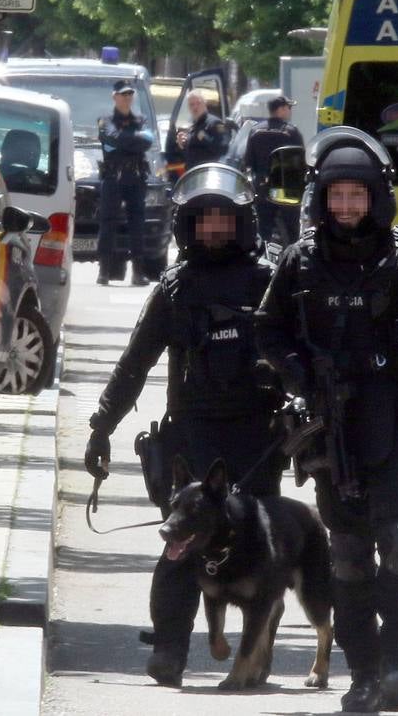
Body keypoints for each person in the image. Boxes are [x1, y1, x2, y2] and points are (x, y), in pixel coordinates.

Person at [256, 127, 398, 713]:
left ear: (377, 196)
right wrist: (300, 375)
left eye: (358, 195)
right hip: (330, 430)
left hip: (396, 424)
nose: (347, 207)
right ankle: (363, 673)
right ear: (322, 199)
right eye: (337, 196)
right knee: (346, 554)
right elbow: (268, 329)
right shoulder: (300, 262)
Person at [83, 162, 287, 688]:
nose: (214, 230)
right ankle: (170, 649)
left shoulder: (271, 280)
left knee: (257, 554)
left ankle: (255, 655)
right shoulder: (176, 289)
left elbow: (308, 354)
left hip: (258, 441)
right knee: (180, 549)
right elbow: (135, 362)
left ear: (242, 223)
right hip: (193, 442)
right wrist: (101, 425)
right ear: (188, 227)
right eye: (204, 221)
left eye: (224, 220)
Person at [97, 79, 154, 286]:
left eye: (130, 94)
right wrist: (133, 140)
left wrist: (126, 140)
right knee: (108, 222)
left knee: (138, 224)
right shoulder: (105, 120)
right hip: (114, 177)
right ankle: (104, 271)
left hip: (136, 178)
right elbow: (112, 138)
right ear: (115, 96)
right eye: (123, 94)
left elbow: (148, 141)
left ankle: (138, 272)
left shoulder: (142, 119)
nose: (127, 98)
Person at [243, 95, 304, 245]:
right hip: (286, 190)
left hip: (264, 188)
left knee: (263, 230)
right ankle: (291, 259)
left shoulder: (255, 131)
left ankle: (264, 258)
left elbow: (248, 161)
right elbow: (301, 161)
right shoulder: (291, 132)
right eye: (288, 108)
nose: (290, 111)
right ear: (281, 109)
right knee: (292, 232)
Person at [178, 89, 230, 171]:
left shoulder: (215, 123)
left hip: (208, 174)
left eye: (198, 103)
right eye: (191, 105)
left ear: (205, 104)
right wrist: (183, 144)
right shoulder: (194, 126)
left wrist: (204, 137)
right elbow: (193, 151)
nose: (195, 107)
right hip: (192, 175)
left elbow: (223, 149)